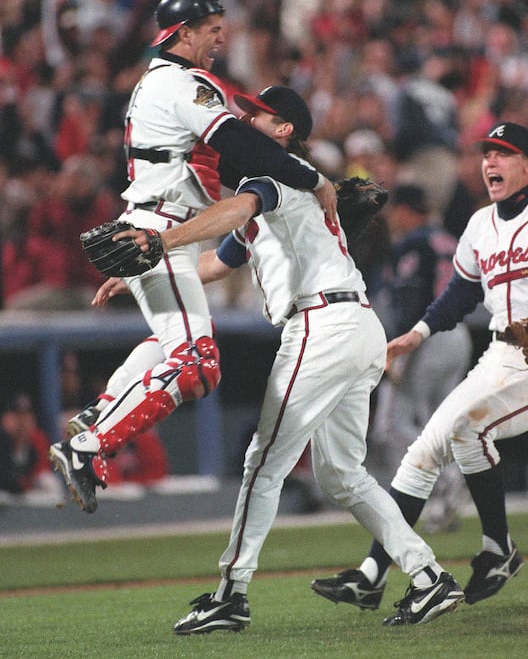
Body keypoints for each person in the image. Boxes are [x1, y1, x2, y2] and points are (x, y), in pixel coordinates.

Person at [97, 88, 465, 632]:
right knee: (342, 475)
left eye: (258, 115)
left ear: (285, 128)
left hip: (323, 325)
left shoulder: (281, 172)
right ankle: (429, 577)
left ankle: (230, 594)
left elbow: (239, 208)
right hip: (353, 324)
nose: (245, 120)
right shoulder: (282, 187)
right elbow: (217, 266)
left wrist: (161, 239)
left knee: (261, 462)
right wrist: (140, 278)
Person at [49, 0, 337, 515]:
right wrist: (310, 175)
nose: (220, 37)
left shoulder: (160, 84)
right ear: (182, 33)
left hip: (161, 230)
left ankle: (100, 414)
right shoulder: (182, 81)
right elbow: (240, 145)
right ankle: (89, 445)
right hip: (159, 230)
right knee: (196, 366)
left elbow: (225, 162)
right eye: (211, 29)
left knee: (172, 345)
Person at [312, 122, 528, 609]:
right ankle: (371, 574)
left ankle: (497, 547)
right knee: (420, 453)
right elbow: (461, 293)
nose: (492, 163)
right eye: (487, 154)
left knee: (468, 430)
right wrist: (416, 334)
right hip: (497, 354)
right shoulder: (479, 224)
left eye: (504, 154)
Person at [370, 184, 472, 533]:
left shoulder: (413, 244)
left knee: (392, 423)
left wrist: (398, 349)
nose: (392, 217)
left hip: (423, 336)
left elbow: (411, 298)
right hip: (458, 334)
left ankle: (446, 480)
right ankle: (446, 496)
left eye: (396, 209)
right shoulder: (447, 239)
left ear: (408, 210)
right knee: (439, 423)